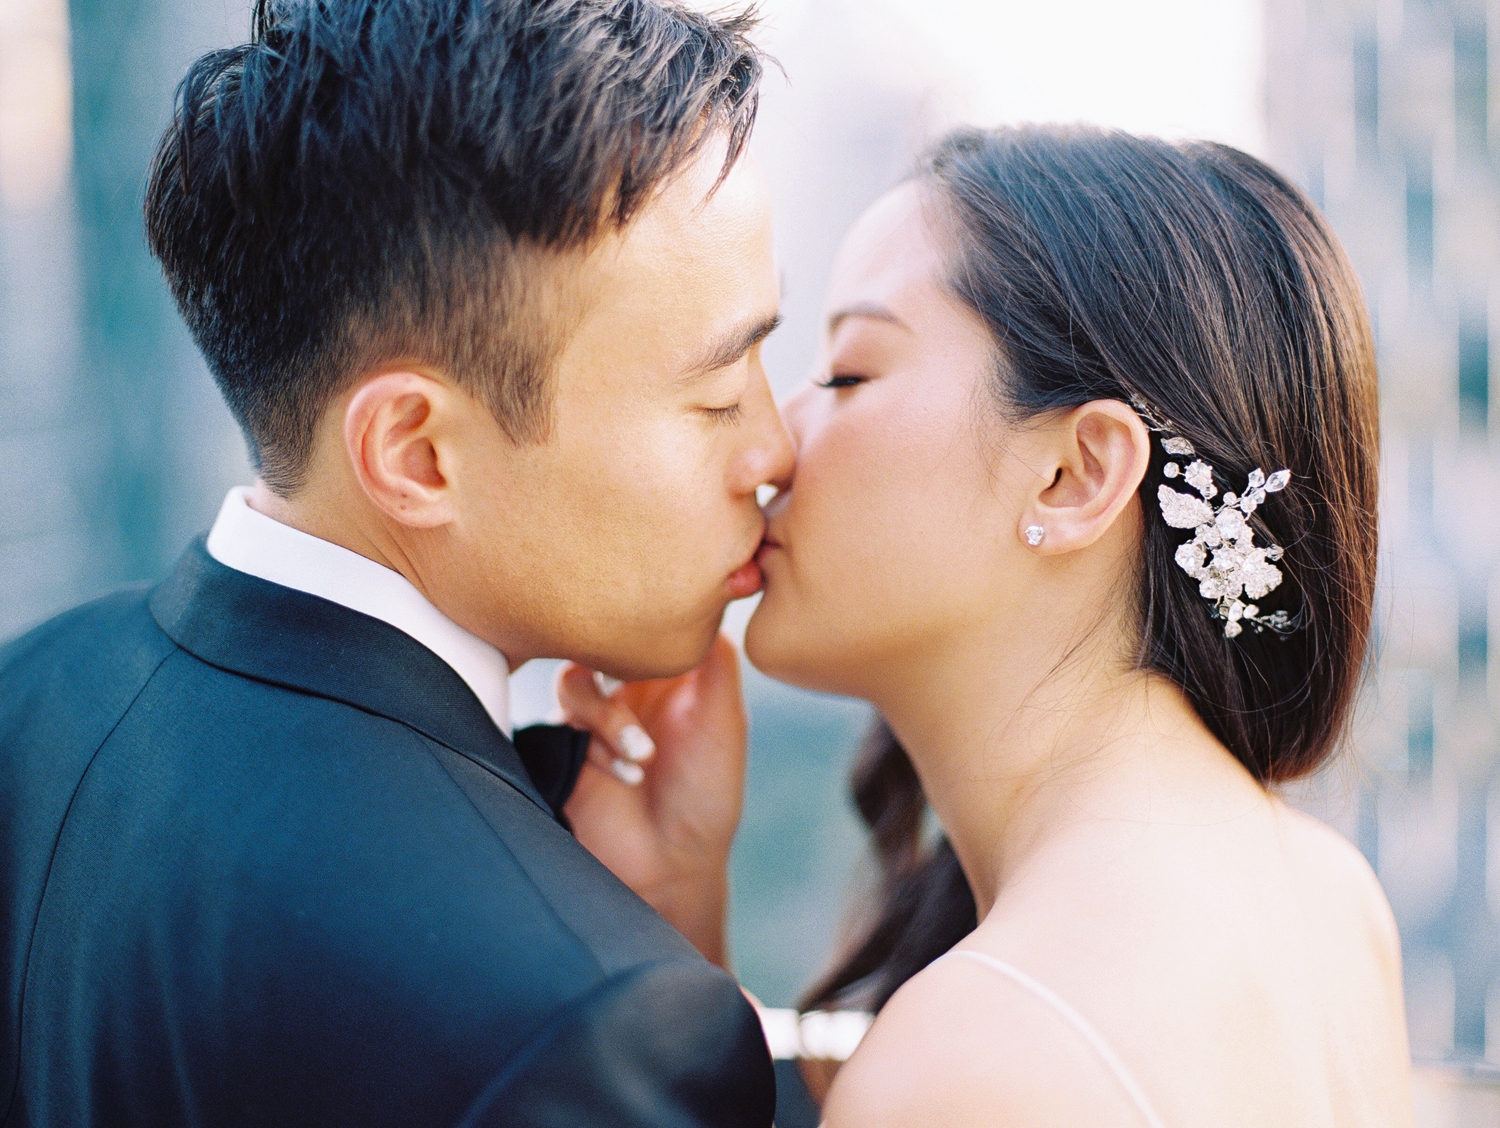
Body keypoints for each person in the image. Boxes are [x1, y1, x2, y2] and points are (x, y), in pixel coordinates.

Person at [0, 1, 794, 1124]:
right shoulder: (592, 1022)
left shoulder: (27, 691)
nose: (776, 448)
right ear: (416, 454)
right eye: (719, 395)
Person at [560, 124, 1414, 1126]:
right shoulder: (1326, 894)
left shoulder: (979, 1057)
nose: (776, 440)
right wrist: (680, 899)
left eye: (846, 375)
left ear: (1075, 473)